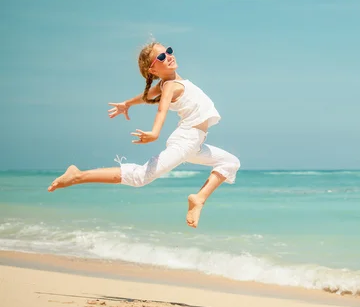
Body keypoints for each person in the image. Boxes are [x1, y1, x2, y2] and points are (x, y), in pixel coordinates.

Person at [47, 42, 241, 228]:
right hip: (186, 141)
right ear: (153, 70)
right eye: (162, 57)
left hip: (194, 143)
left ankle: (199, 198)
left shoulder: (171, 83)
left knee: (230, 162)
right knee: (140, 177)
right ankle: (78, 175)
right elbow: (161, 110)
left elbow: (146, 96)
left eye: (169, 51)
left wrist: (127, 104)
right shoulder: (170, 86)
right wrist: (155, 132)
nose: (169, 57)